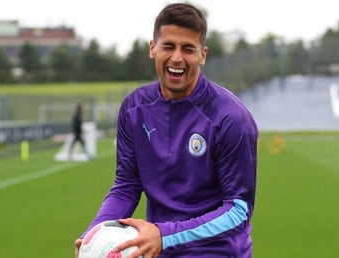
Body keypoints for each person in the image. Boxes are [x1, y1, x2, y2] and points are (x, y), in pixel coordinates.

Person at [75, 3, 258, 257]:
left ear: (202, 55)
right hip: (160, 251)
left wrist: (165, 235)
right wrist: (94, 234)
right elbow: (126, 186)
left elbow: (239, 210)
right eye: (169, 46)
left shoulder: (231, 117)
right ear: (153, 48)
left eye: (188, 49)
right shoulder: (133, 108)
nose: (176, 58)